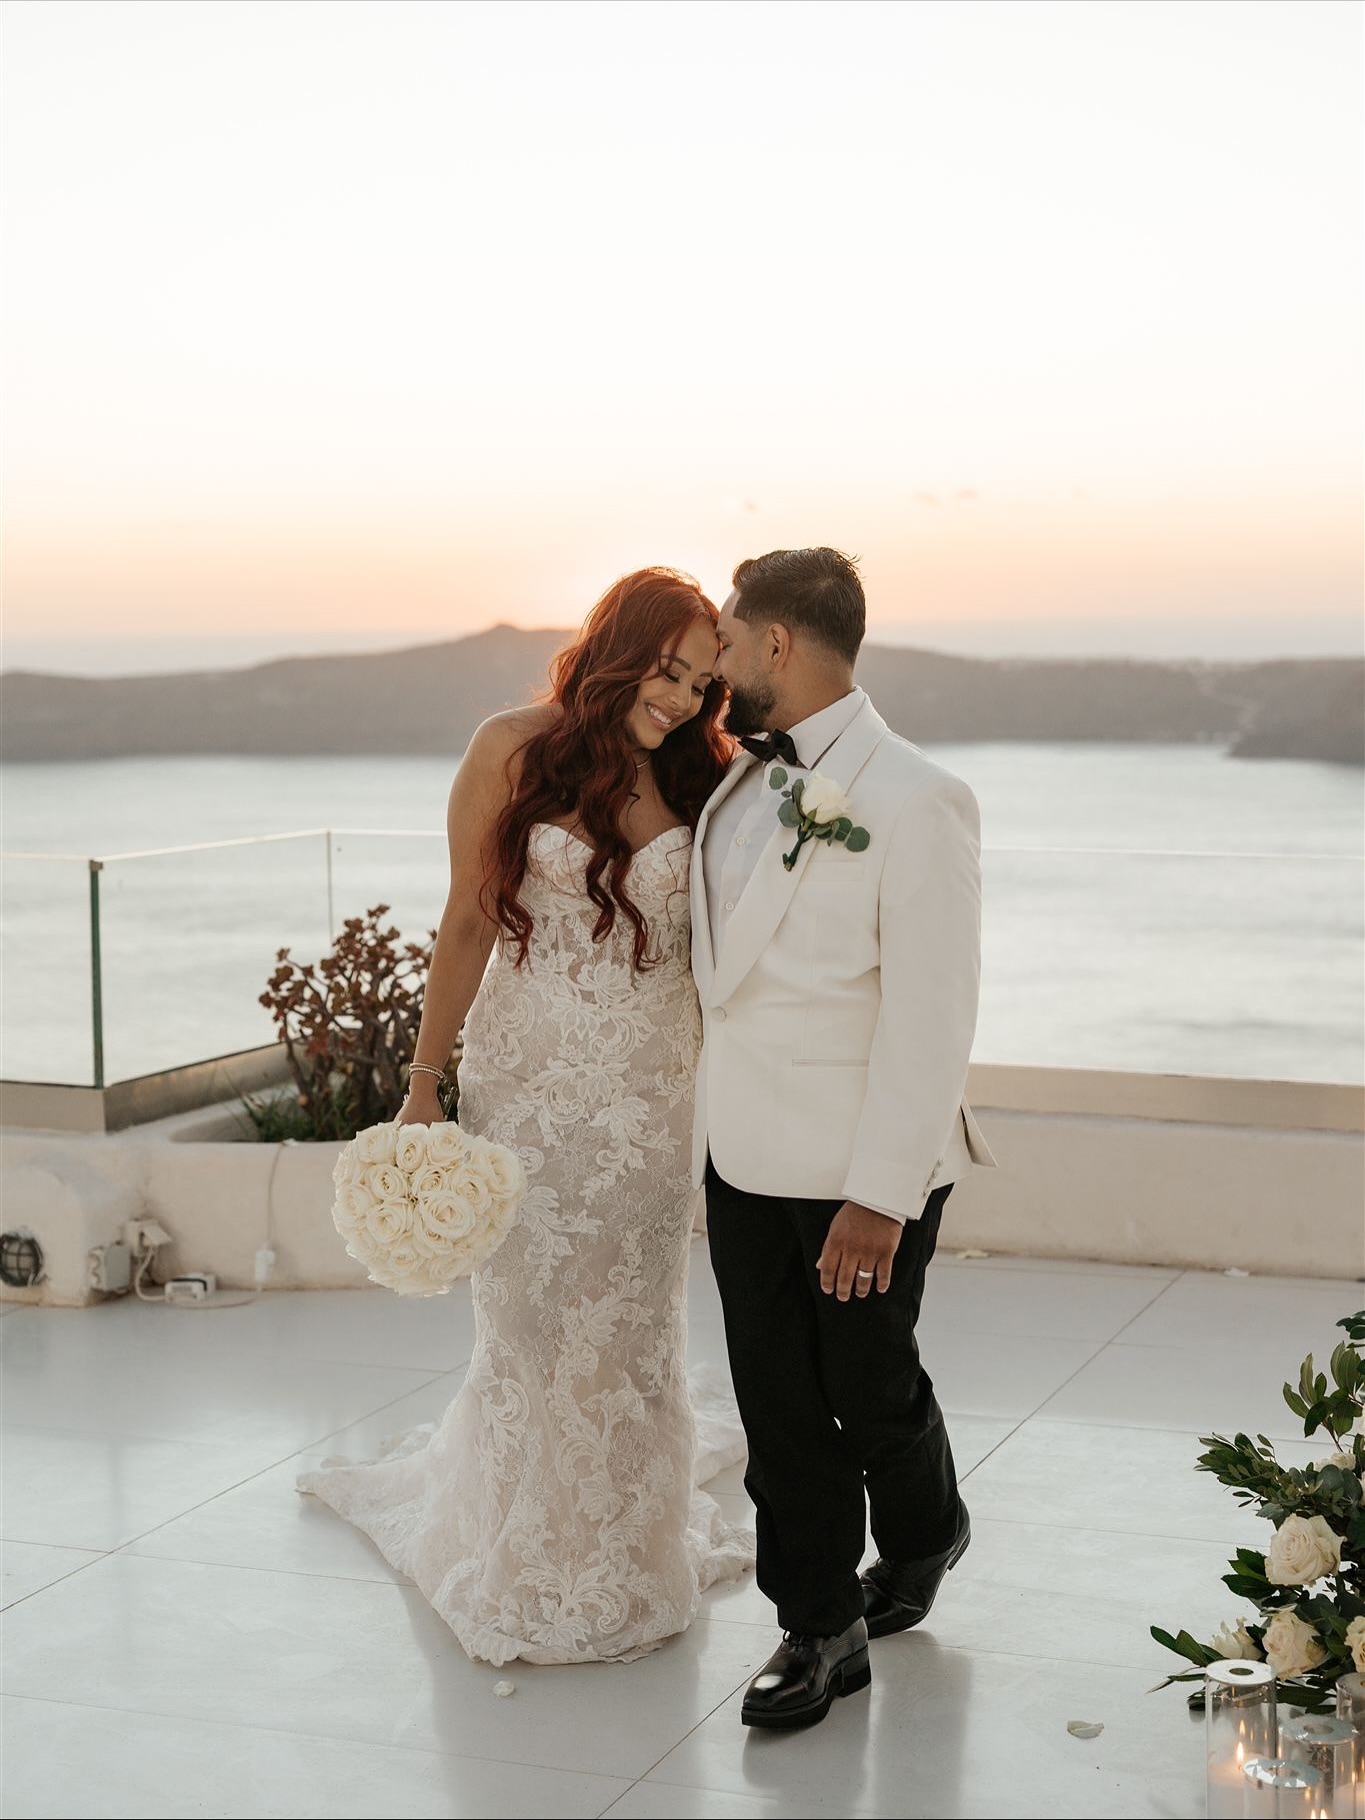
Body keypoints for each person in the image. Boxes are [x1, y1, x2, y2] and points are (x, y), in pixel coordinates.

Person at [298, 568, 755, 1665]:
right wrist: (423, 1079)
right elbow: (462, 925)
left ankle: (631, 1547)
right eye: (670, 667)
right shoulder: (508, 746)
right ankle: (524, 1540)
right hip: (527, 1070)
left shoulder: (711, 777)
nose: (686, 697)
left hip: (654, 1085)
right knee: (534, 1312)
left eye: (704, 680)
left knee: (632, 1318)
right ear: (618, 645)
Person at [690, 547, 997, 1729]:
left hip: (863, 1165)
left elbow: (934, 1014)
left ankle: (927, 1528)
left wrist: (878, 1195)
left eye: (725, 635)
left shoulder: (921, 798)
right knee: (776, 1403)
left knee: (867, 1392)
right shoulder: (731, 785)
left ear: (777, 642)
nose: (716, 656)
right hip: (741, 1156)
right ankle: (817, 1624)